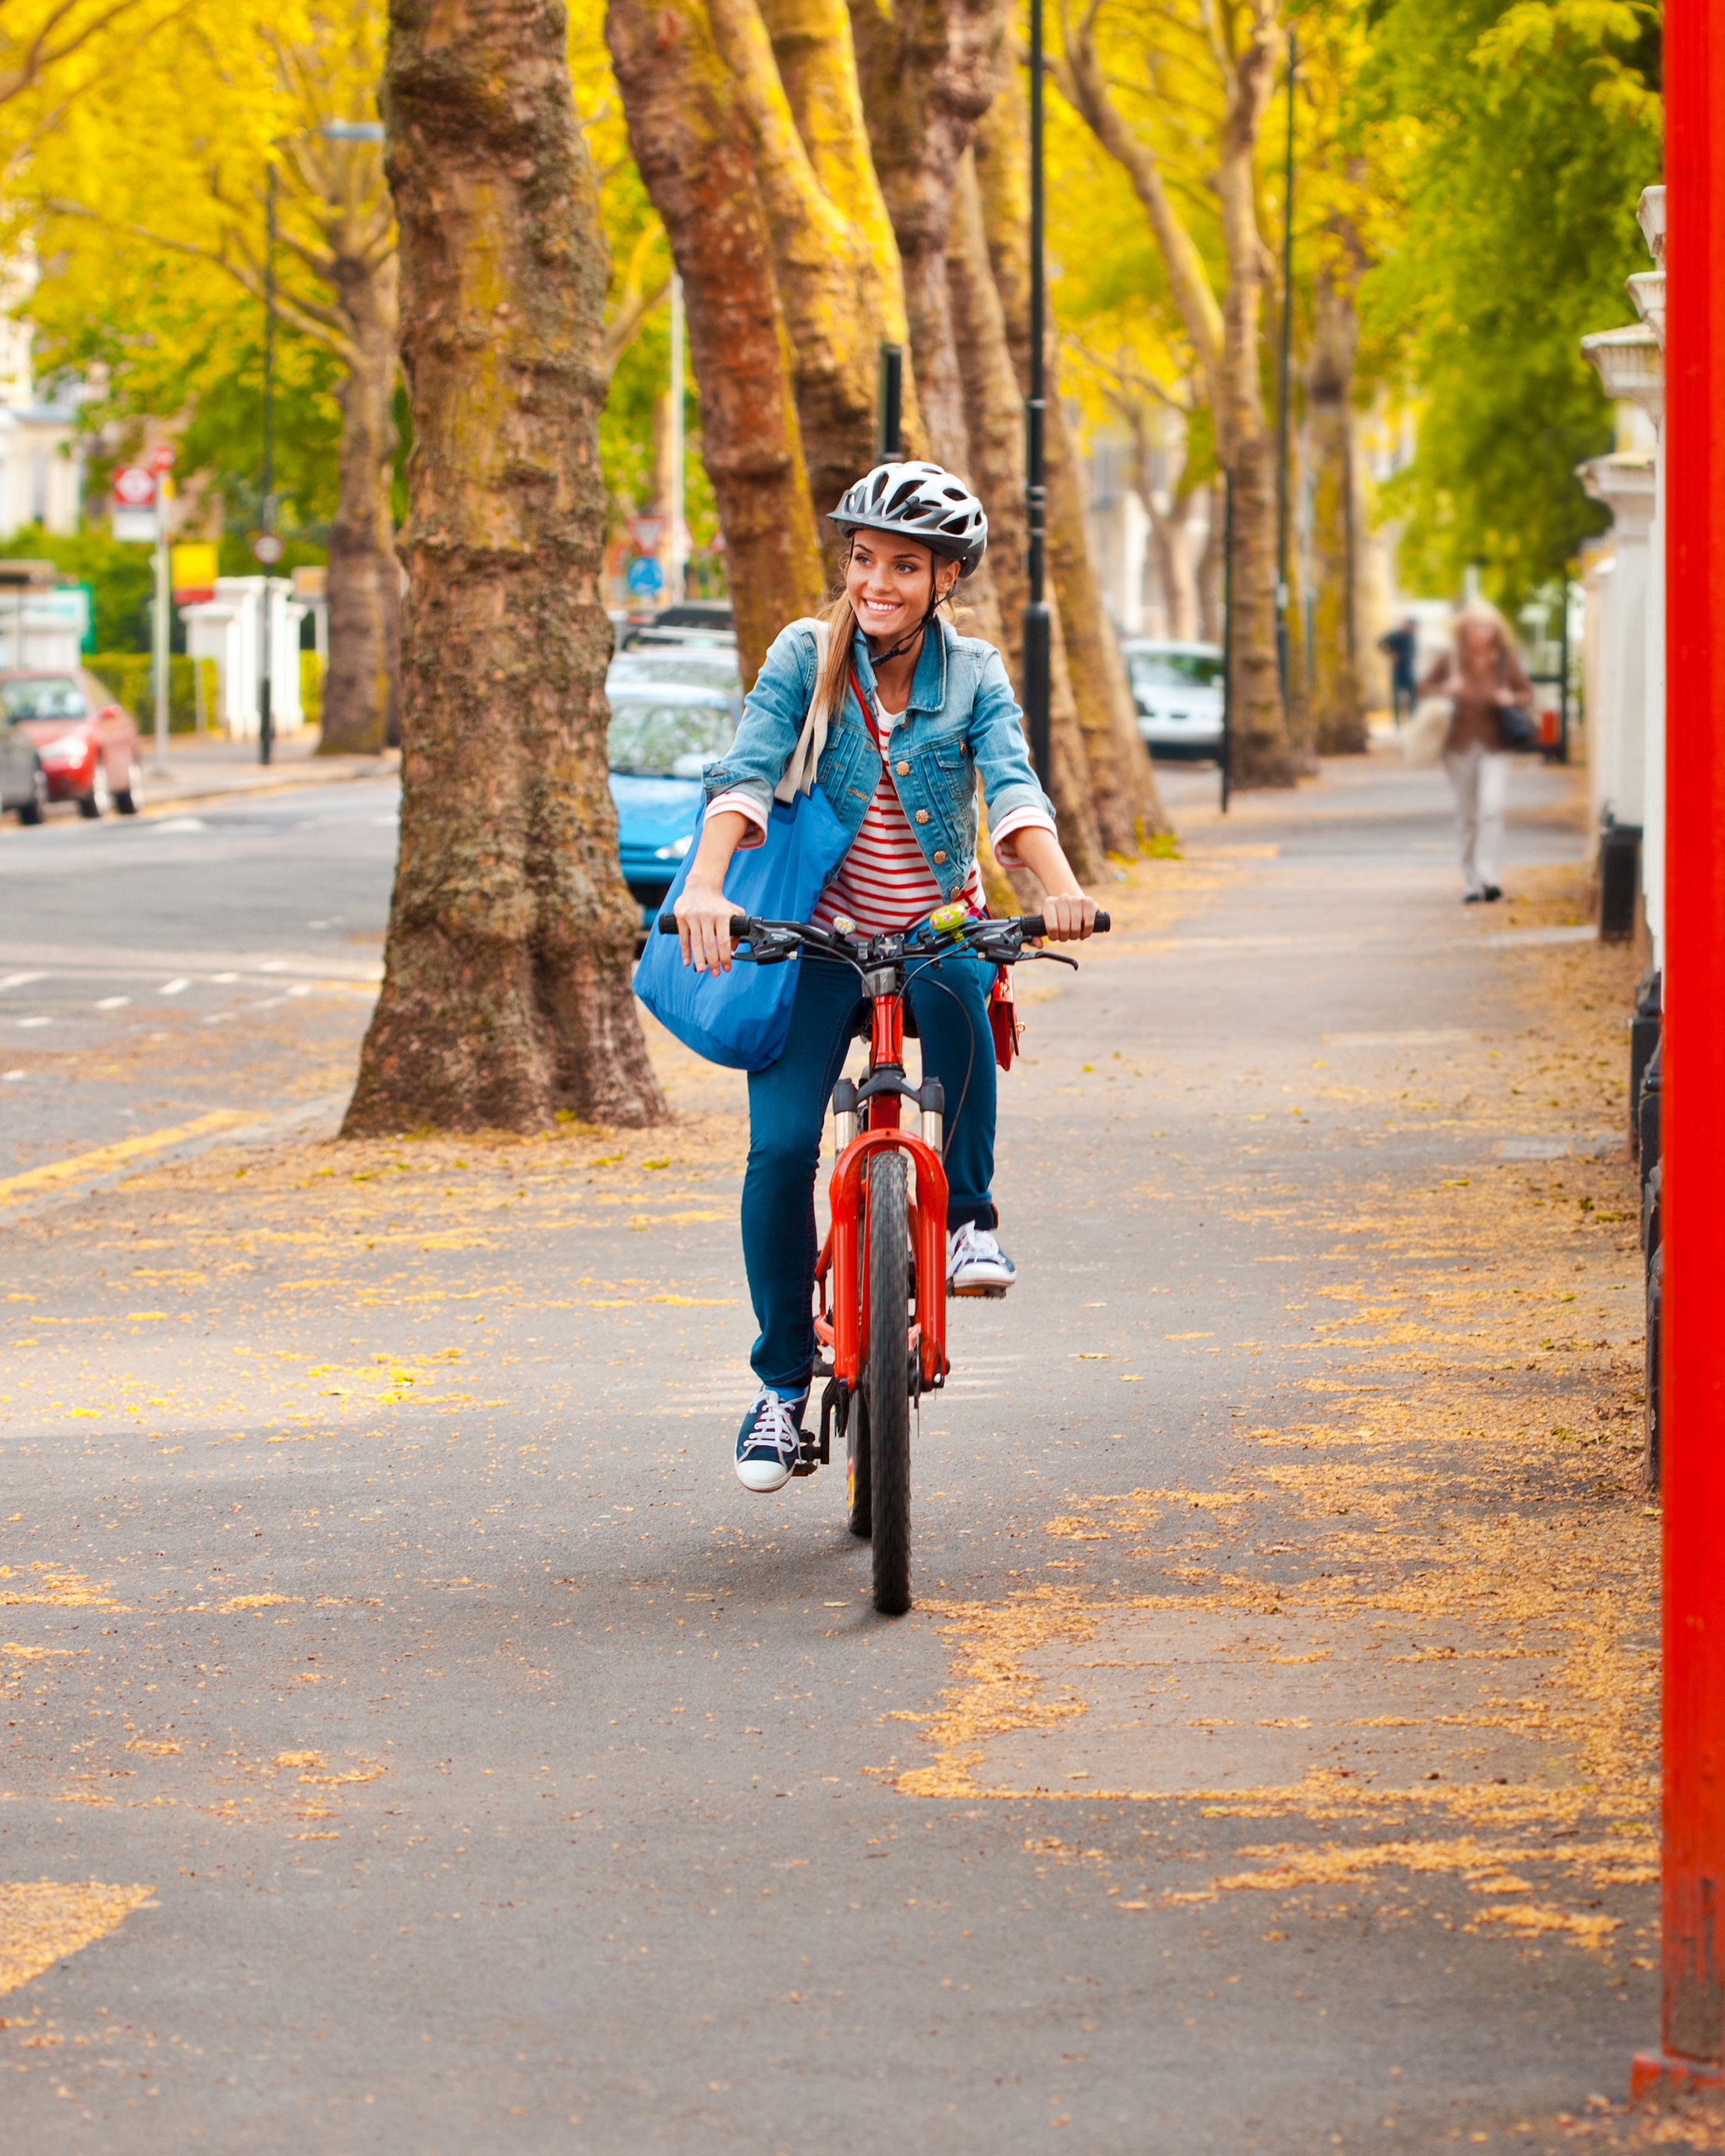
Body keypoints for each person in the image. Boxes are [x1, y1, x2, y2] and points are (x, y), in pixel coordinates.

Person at [671, 461, 1098, 1493]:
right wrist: (706, 880)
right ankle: (779, 1388)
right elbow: (749, 771)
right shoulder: (806, 656)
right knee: (778, 1153)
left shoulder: (976, 673)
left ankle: (968, 1220)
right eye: (865, 560)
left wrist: (1062, 883)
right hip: (812, 944)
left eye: (905, 566)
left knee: (965, 985)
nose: (877, 582)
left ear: (947, 578)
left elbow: (1012, 786)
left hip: (930, 925)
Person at [1419, 597, 1533, 905]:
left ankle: (1490, 875)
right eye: (1475, 626)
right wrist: (1446, 689)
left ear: (1495, 630)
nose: (1481, 632)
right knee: (1467, 814)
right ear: (1464, 630)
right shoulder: (1451, 659)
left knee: (1492, 810)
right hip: (1458, 746)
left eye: (1487, 626)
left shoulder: (1505, 660)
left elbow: (1527, 692)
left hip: (1496, 745)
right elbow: (1423, 688)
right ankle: (1470, 880)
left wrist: (1511, 697)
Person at [1377, 616, 1419, 724]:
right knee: (1396, 697)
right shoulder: (1395, 635)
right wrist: (1390, 654)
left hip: (1409, 669)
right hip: (1397, 670)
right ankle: (1397, 722)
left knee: (1413, 696)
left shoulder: (1412, 637)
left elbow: (1414, 651)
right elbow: (1380, 644)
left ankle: (1412, 720)